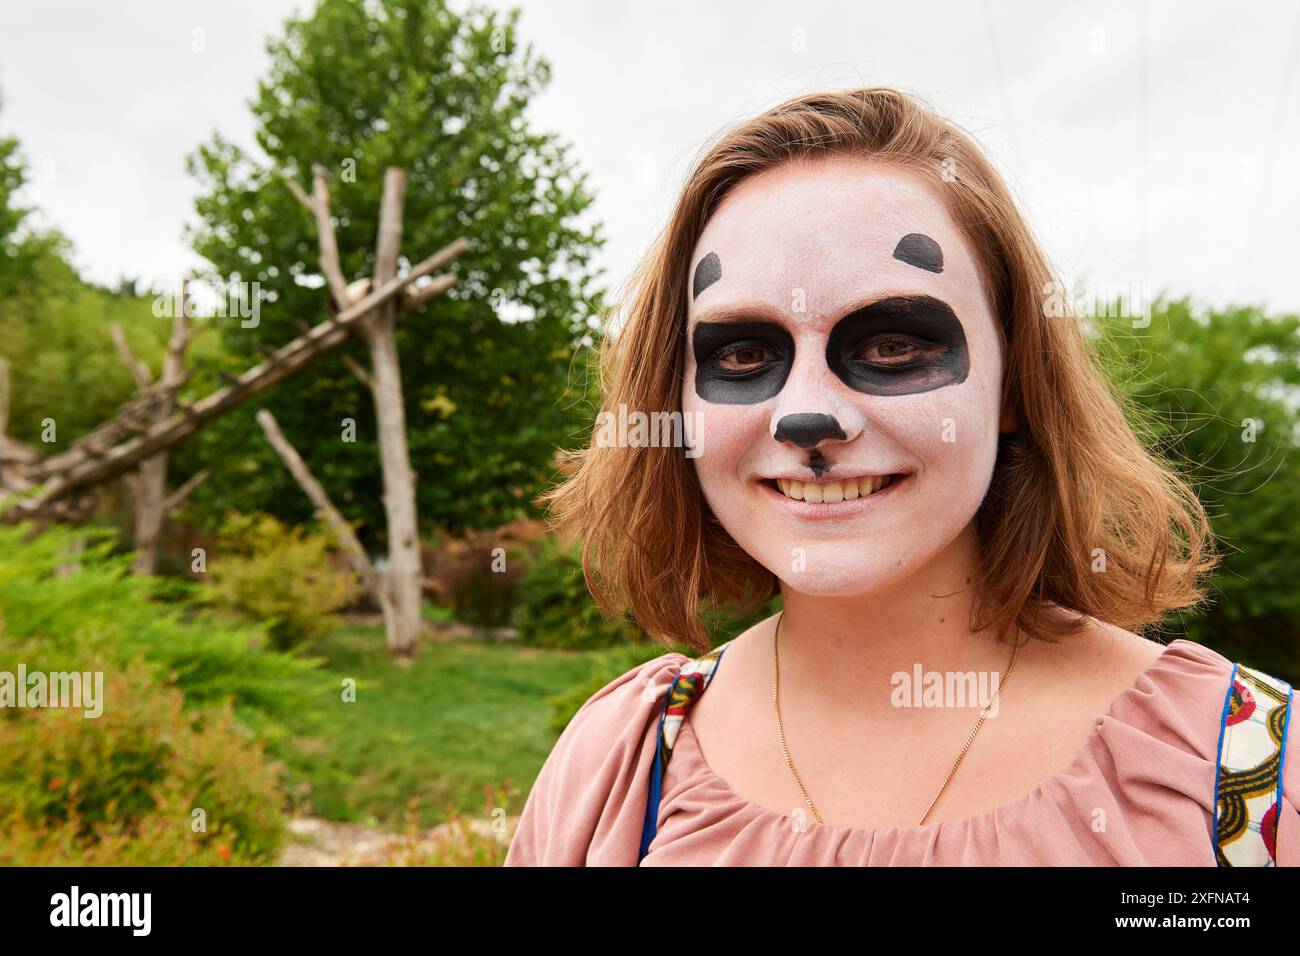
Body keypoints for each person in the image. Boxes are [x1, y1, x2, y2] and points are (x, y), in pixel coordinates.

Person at [503, 87, 1296, 866]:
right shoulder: (623, 768)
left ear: (1016, 383)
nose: (806, 417)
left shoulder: (1249, 774)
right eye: (743, 354)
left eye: (891, 345)